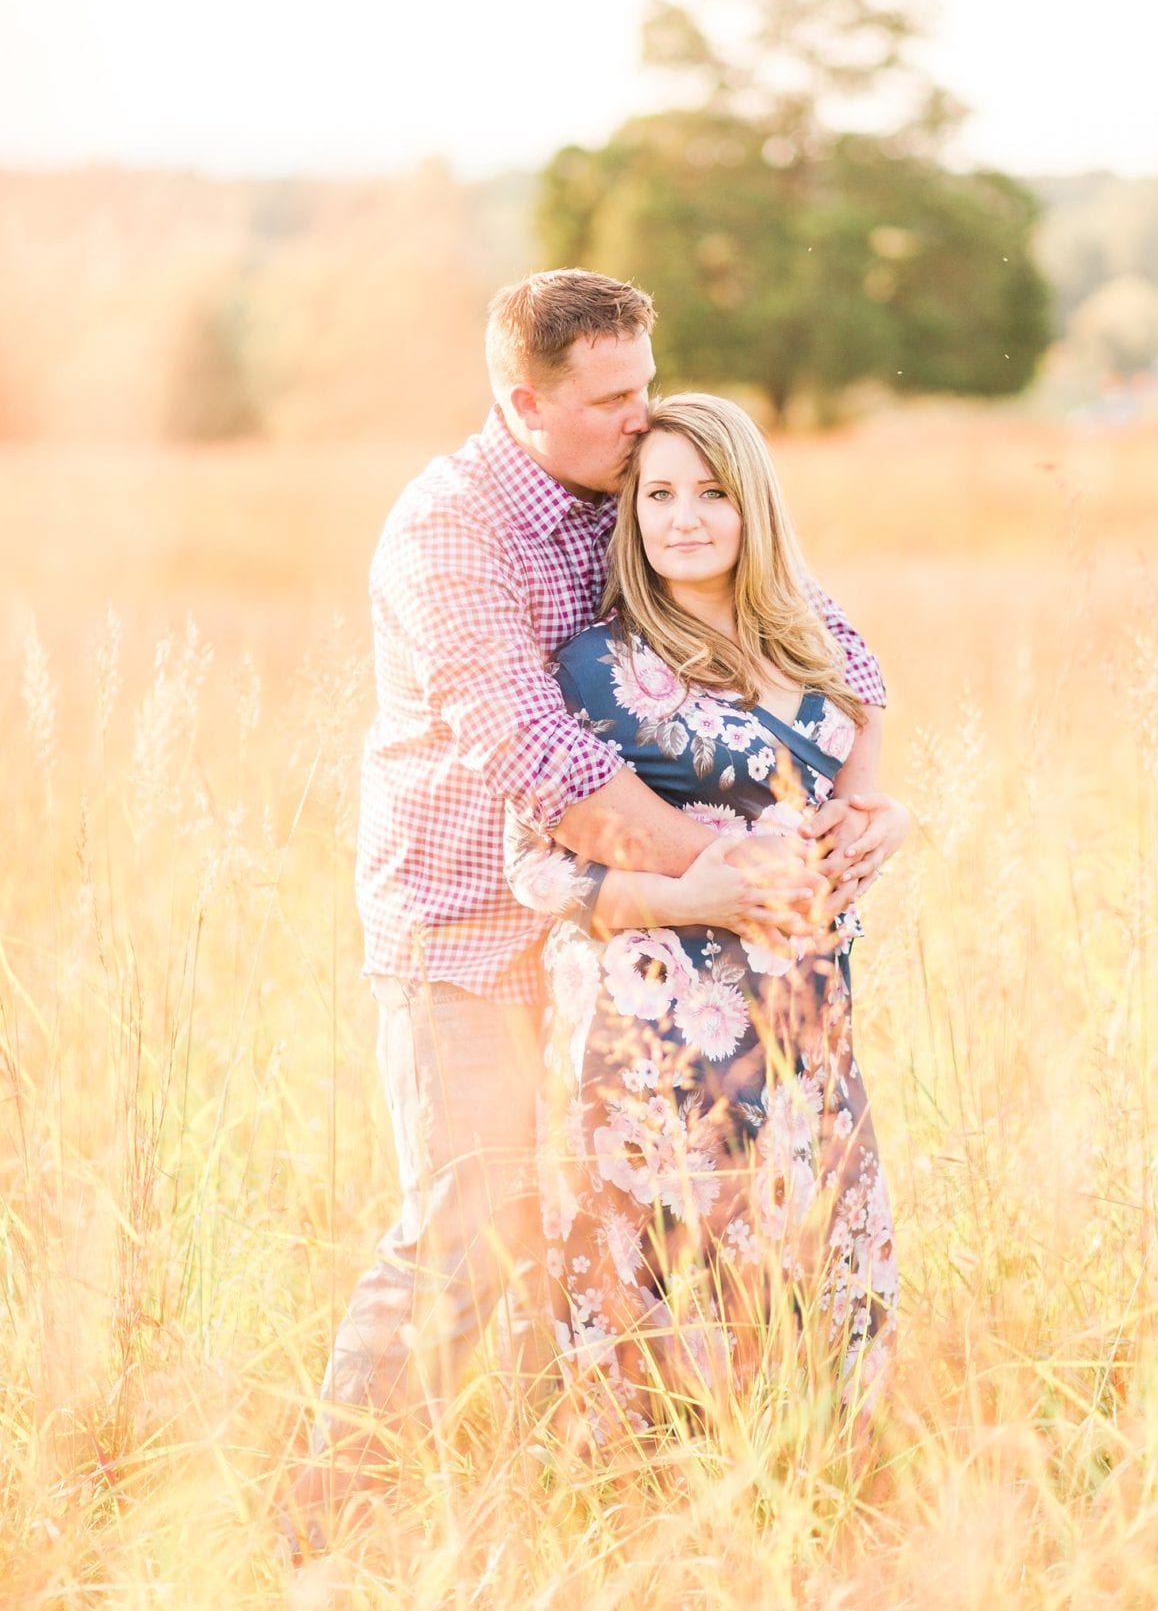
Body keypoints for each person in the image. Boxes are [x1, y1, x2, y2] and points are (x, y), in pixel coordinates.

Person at [288, 271, 905, 1545]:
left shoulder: (625, 477)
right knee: (466, 1230)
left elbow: (814, 626)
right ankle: (326, 1521)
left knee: (582, 1238)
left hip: (615, 946)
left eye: (647, 387)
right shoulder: (449, 531)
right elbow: (533, 756)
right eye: (616, 400)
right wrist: (726, 876)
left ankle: (546, 1516)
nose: (644, 418)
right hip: (468, 929)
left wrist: (874, 805)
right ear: (528, 404)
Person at [503, 392, 900, 1445]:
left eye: (713, 493)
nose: (685, 518)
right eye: (660, 493)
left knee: (810, 1291)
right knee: (666, 1309)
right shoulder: (596, 668)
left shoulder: (822, 647)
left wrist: (885, 825)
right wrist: (690, 895)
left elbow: (858, 802)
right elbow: (539, 871)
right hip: (656, 1044)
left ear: (752, 504)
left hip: (806, 1034)